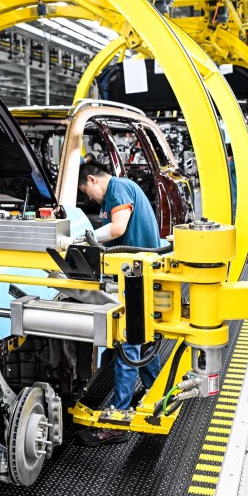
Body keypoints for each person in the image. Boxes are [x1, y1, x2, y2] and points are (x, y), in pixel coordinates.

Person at [75, 160, 163, 447]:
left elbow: (116, 229)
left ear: (93, 180)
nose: (89, 198)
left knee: (127, 346)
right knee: (142, 342)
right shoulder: (125, 188)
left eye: (86, 192)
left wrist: (81, 240)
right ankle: (156, 394)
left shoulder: (118, 187)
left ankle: (119, 420)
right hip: (138, 276)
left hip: (135, 278)